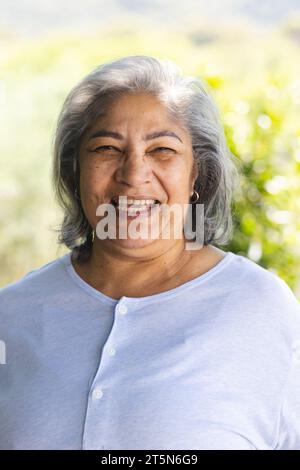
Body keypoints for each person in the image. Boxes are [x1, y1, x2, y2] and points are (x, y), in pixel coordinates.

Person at [0, 55, 300, 450]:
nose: (133, 174)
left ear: (196, 174)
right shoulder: (13, 314)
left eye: (162, 149)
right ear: (75, 170)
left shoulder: (259, 307)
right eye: (107, 148)